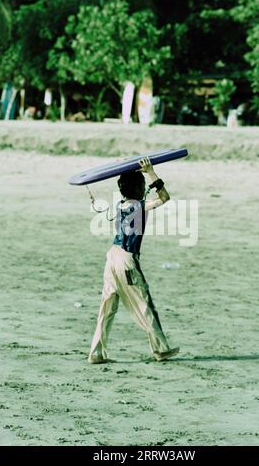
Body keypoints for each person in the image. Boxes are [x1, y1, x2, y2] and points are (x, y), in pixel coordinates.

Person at [88, 156, 179, 364]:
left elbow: (100, 208)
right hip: (127, 259)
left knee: (107, 306)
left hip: (111, 256)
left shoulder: (119, 205)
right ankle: (161, 349)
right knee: (144, 303)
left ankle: (96, 352)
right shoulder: (140, 206)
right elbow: (165, 197)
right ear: (139, 188)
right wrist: (151, 173)